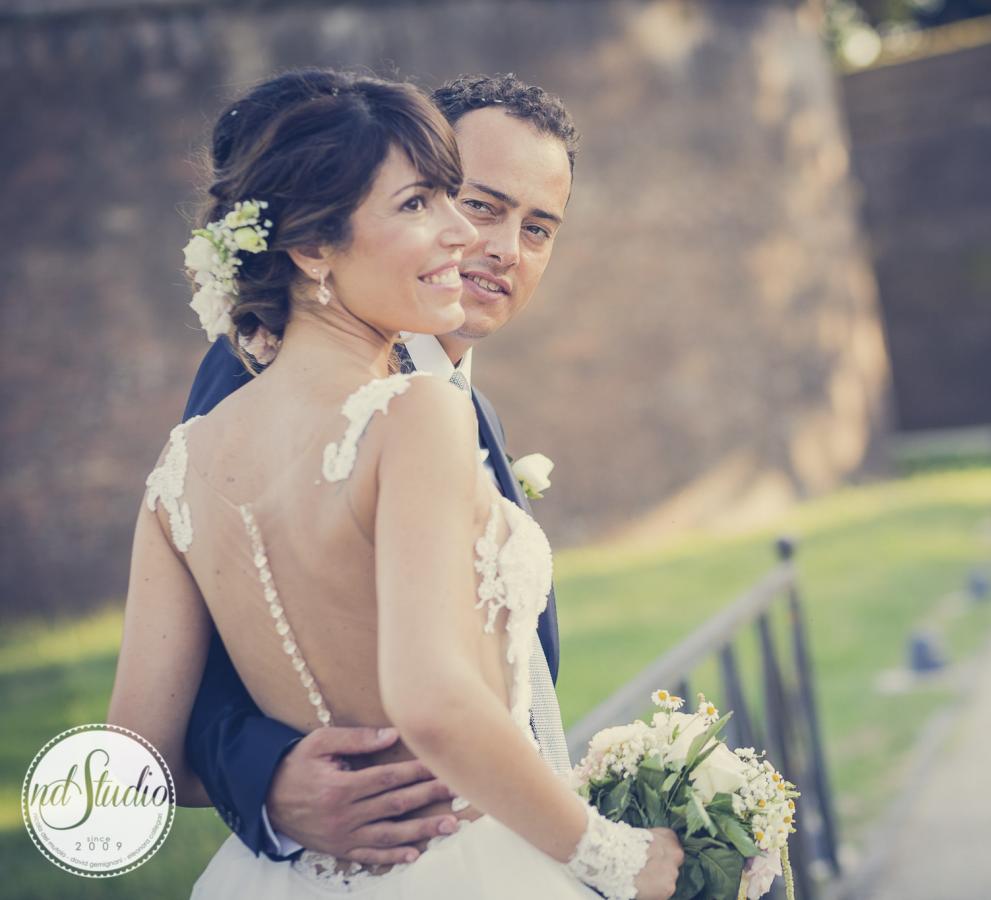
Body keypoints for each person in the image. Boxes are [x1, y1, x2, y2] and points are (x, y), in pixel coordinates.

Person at [107, 68, 681, 898]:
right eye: (441, 202)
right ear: (310, 245)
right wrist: (614, 860)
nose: (476, 241)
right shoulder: (413, 411)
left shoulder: (177, 470)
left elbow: (127, 768)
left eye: (538, 227)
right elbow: (435, 701)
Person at [182, 73, 580, 867]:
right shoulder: (260, 375)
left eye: (538, 229)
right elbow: (203, 643)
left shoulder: (474, 409)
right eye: (478, 205)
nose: (497, 248)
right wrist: (270, 781)